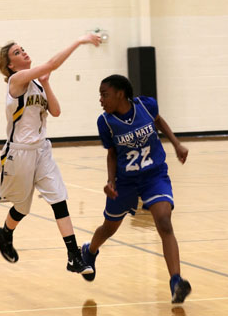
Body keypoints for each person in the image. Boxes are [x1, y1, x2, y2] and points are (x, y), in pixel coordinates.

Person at [0, 33, 101, 275]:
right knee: (22, 207)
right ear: (11, 65)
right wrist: (79, 40)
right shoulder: (16, 80)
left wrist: (47, 82)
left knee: (58, 199)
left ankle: (73, 256)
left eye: (23, 49)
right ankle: (5, 232)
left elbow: (56, 111)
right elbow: (52, 64)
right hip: (19, 153)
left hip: (42, 150)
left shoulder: (37, 83)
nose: (24, 53)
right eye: (17, 53)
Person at [81, 74, 192, 303]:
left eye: (104, 94)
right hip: (125, 182)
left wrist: (176, 143)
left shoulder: (146, 105)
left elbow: (159, 121)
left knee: (164, 221)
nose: (101, 100)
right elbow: (112, 153)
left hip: (154, 175)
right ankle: (90, 251)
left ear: (120, 93)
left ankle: (176, 281)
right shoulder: (106, 122)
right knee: (109, 228)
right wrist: (111, 181)